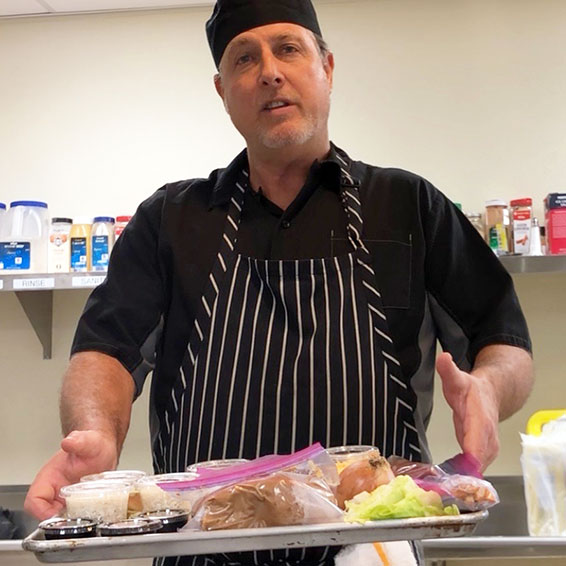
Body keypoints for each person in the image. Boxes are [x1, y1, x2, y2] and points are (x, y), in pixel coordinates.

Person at [25, 0, 534, 564]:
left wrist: (487, 389)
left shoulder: (409, 207)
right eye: (245, 58)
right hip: (205, 554)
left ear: (328, 68)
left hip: (373, 553)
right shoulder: (171, 219)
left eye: (288, 48)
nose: (269, 70)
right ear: (222, 91)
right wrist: (95, 434)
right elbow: (105, 352)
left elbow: (504, 340)